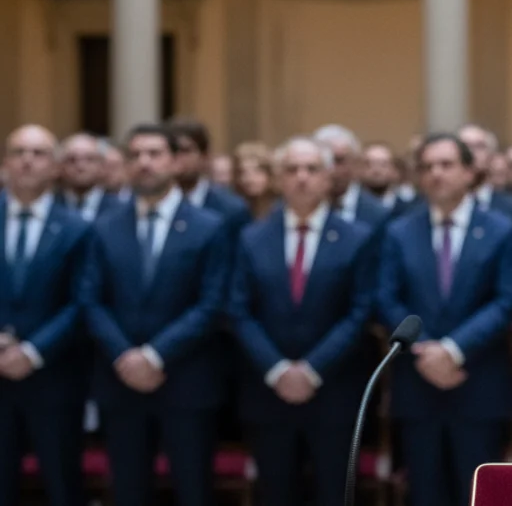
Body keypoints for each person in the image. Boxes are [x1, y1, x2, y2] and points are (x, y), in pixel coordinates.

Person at [82, 124, 229, 506]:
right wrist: (126, 356)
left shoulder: (209, 227)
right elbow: (90, 299)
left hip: (185, 381)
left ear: (176, 161)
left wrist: (155, 355)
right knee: (128, 492)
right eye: (136, 155)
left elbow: (212, 303)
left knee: (193, 490)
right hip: (121, 381)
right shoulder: (103, 227)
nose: (144, 163)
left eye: (154, 154)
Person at [376, 133, 512, 506]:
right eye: (427, 167)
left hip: (477, 384)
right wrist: (424, 351)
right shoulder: (398, 231)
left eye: (446, 165)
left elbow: (507, 301)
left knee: (477, 496)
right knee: (424, 494)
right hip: (417, 384)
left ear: (470, 172)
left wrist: (453, 351)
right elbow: (387, 298)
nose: (435, 174)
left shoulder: (501, 229)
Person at [228, 137, 375, 506]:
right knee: (276, 493)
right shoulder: (251, 238)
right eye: (292, 170)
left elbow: (359, 312)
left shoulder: (358, 238)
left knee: (334, 493)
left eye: (312, 169)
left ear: (328, 179)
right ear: (278, 179)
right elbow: (239, 311)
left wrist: (311, 370)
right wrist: (278, 370)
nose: (302, 178)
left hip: (334, 390)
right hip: (268, 392)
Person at [0, 126, 92, 506]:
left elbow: (82, 301)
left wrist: (33, 351)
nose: (27, 160)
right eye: (19, 151)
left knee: (62, 485)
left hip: (54, 378)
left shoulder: (78, 228)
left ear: (55, 167)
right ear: (5, 162)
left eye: (38, 153)